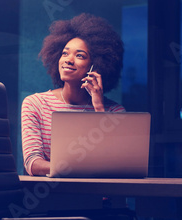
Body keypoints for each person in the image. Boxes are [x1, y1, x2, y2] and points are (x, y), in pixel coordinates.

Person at [22, 13, 125, 176]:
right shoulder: (36, 104)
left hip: (101, 199)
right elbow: (33, 163)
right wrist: (83, 167)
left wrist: (98, 107)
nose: (68, 60)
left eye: (80, 56)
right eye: (65, 53)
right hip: (58, 198)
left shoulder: (114, 112)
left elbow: (116, 165)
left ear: (96, 66)